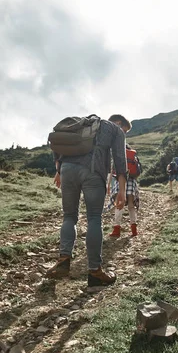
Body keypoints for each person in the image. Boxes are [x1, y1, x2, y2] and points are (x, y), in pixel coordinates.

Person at [46, 114, 130, 287]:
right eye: (125, 130)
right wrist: (121, 191)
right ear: (120, 123)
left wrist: (59, 169)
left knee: (69, 216)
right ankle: (95, 271)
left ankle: (63, 261)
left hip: (67, 169)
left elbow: (58, 141)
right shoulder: (115, 130)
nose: (124, 132)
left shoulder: (80, 124)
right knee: (94, 218)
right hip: (93, 172)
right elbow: (120, 161)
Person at [108, 142, 140, 238]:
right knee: (131, 205)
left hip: (120, 182)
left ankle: (117, 229)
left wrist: (108, 185)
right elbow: (138, 171)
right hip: (132, 182)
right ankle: (134, 229)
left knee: (119, 205)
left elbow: (111, 172)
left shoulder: (118, 157)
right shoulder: (133, 156)